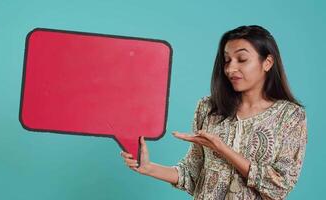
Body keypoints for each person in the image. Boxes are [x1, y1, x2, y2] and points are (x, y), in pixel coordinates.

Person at [120, 25, 307, 200]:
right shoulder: (208, 108)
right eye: (227, 60)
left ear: (267, 63)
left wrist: (222, 148)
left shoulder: (290, 116)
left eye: (242, 59)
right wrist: (148, 167)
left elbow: (280, 185)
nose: (231, 68)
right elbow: (192, 174)